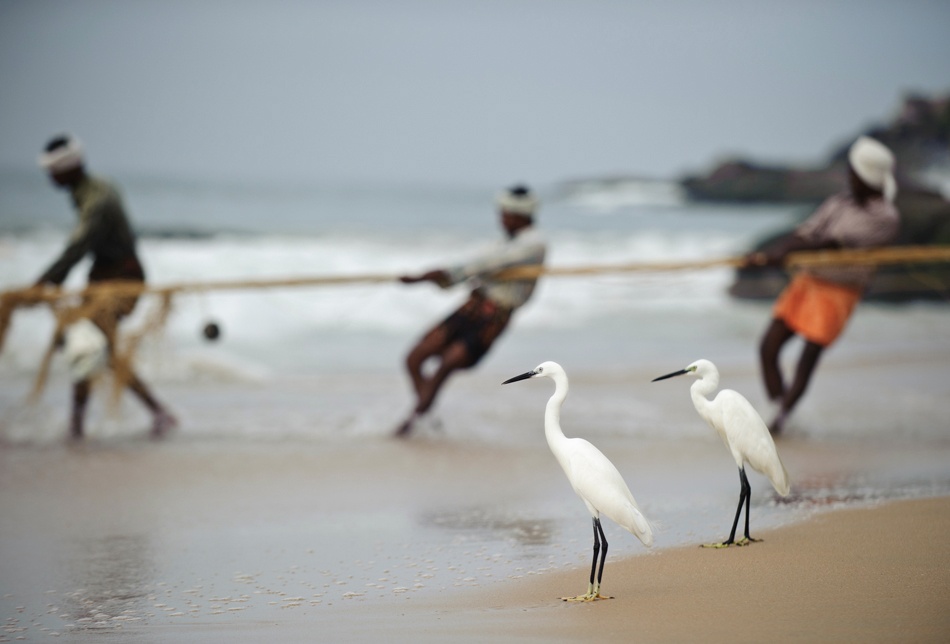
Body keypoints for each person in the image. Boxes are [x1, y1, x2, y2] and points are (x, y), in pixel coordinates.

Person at [745, 136, 901, 434]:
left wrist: (782, 253)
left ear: (869, 178)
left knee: (806, 360)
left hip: (840, 291)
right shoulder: (840, 202)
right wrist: (769, 254)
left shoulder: (885, 217)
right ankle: (778, 415)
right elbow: (806, 233)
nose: (850, 177)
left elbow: (829, 242)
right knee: (768, 347)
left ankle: (778, 424)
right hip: (810, 280)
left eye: (855, 173)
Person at [34, 134, 177, 439]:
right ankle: (155, 412)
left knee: (85, 343)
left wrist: (47, 280)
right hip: (101, 278)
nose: (50, 177)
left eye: (53, 171)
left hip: (123, 278)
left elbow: (79, 245)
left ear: (68, 168)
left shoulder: (98, 198)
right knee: (95, 348)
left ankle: (78, 427)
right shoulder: (88, 190)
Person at [396, 184, 547, 436]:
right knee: (414, 358)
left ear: (521, 215)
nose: (501, 219)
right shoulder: (503, 242)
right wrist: (439, 279)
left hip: (494, 316)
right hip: (471, 307)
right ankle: (426, 414)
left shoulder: (534, 244)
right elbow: (476, 267)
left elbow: (488, 263)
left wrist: (440, 275)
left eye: (506, 214)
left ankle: (411, 422)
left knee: (446, 364)